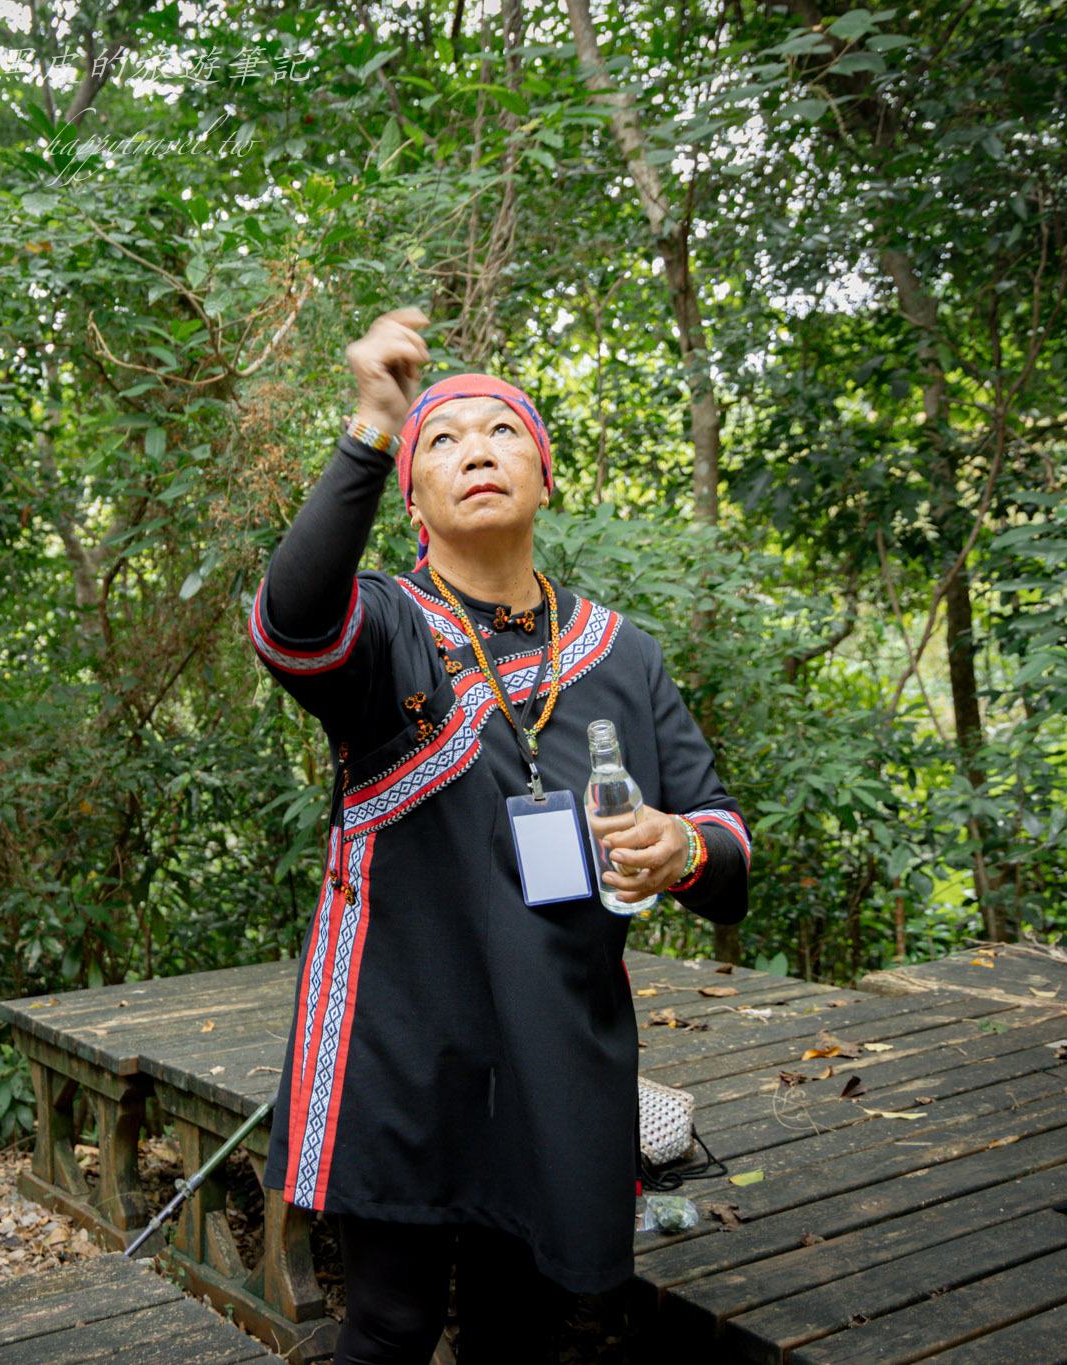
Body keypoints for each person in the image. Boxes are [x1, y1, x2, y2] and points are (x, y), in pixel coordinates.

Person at [248, 307, 751, 1363]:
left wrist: (681, 848)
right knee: (388, 1322)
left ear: (543, 472)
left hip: (553, 1044)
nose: (474, 449)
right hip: (402, 1042)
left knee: (521, 1328)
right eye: (441, 439)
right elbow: (292, 621)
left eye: (500, 431)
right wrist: (369, 425)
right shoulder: (385, 626)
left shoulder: (623, 652)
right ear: (414, 498)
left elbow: (724, 847)